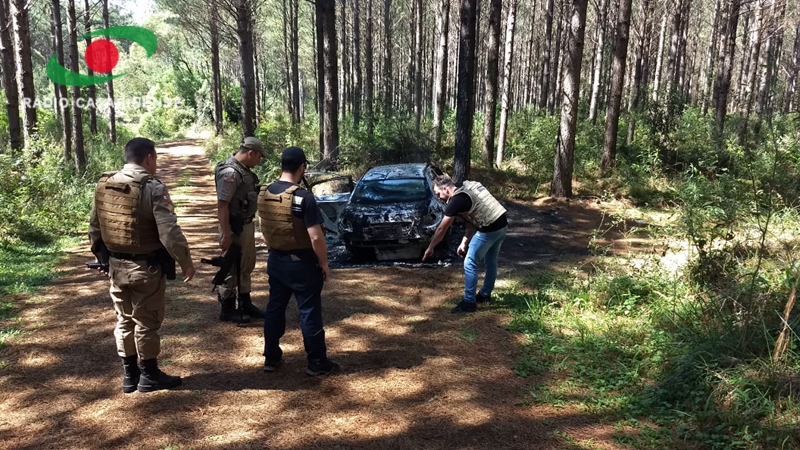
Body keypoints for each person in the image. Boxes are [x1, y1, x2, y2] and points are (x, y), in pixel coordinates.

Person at [88, 137, 197, 393]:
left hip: (116, 266)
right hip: (145, 268)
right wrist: (185, 262)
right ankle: (149, 375)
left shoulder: (104, 184)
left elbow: (95, 226)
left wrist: (101, 258)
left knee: (124, 320)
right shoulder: (153, 187)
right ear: (149, 158)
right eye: (155, 158)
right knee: (147, 321)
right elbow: (169, 232)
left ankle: (130, 375)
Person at [257, 147, 339, 376]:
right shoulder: (303, 198)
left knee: (274, 309)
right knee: (309, 312)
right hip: (302, 264)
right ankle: (317, 362)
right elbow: (316, 237)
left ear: (282, 165)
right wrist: (324, 262)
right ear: (302, 167)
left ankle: (271, 357)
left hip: (276, 260)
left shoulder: (264, 192)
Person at [422, 175, 508, 313]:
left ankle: (469, 302)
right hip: (502, 226)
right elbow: (474, 219)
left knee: (470, 263)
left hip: (489, 230)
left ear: (445, 189)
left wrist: (431, 247)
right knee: (491, 261)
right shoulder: (466, 191)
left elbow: (442, 228)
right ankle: (485, 294)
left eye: (438, 194)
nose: (438, 197)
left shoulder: (455, 201)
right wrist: (464, 242)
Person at [214, 137, 265, 323]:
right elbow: (222, 205)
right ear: (250, 153)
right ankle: (227, 308)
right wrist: (226, 234)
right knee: (231, 266)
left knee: (246, 265)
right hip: (233, 227)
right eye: (259, 156)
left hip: (246, 225)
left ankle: (245, 303)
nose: (259, 160)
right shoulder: (230, 172)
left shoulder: (244, 171)